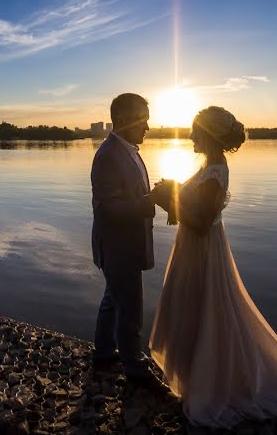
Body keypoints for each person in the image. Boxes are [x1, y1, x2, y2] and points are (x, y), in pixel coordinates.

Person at [149, 106, 277, 428]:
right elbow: (193, 210)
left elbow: (202, 223)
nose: (189, 136)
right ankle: (199, 379)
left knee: (208, 311)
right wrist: (175, 192)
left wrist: (167, 199)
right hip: (195, 250)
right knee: (195, 309)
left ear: (207, 134)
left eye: (194, 131)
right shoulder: (208, 165)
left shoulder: (217, 170)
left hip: (202, 251)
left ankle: (214, 386)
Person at [90, 93, 167, 389]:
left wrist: (156, 194)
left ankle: (105, 352)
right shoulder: (109, 155)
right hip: (118, 247)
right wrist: (152, 200)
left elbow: (129, 195)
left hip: (125, 244)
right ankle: (134, 366)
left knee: (113, 300)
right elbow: (107, 209)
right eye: (143, 119)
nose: (147, 126)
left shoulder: (128, 149)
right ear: (123, 119)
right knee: (131, 309)